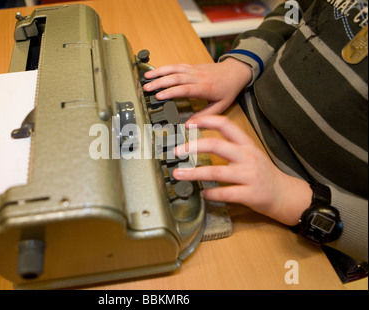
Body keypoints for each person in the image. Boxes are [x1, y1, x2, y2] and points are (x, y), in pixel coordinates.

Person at [143, 0, 368, 270]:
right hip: (236, 112)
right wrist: (241, 63)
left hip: (300, 211)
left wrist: (289, 198)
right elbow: (297, 7)